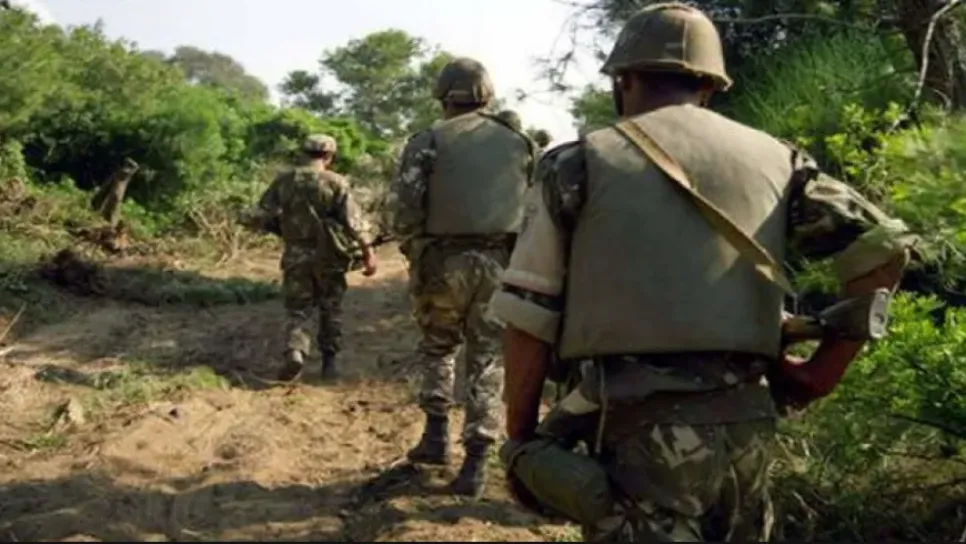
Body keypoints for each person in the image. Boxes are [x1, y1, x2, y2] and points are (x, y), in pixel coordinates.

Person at [491, 3, 916, 541]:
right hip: (747, 432)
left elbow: (528, 315)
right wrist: (820, 373)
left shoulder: (577, 164)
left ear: (624, 80)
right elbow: (885, 250)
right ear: (710, 87)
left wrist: (522, 444)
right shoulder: (780, 160)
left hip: (636, 438)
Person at [390, 57, 536, 497]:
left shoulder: (427, 140)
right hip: (501, 263)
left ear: (443, 96)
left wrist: (414, 250)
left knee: (438, 347)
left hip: (443, 261)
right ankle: (476, 462)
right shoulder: (521, 143)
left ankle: (436, 436)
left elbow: (405, 209)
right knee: (487, 357)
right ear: (487, 96)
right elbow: (535, 209)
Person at [244, 134, 377, 383]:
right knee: (331, 308)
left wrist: (277, 227)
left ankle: (295, 351)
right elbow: (354, 223)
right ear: (329, 156)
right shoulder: (336, 182)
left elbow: (259, 215)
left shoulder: (284, 180)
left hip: (296, 254)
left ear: (303, 153)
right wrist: (368, 253)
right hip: (330, 256)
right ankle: (329, 364)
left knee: (298, 308)